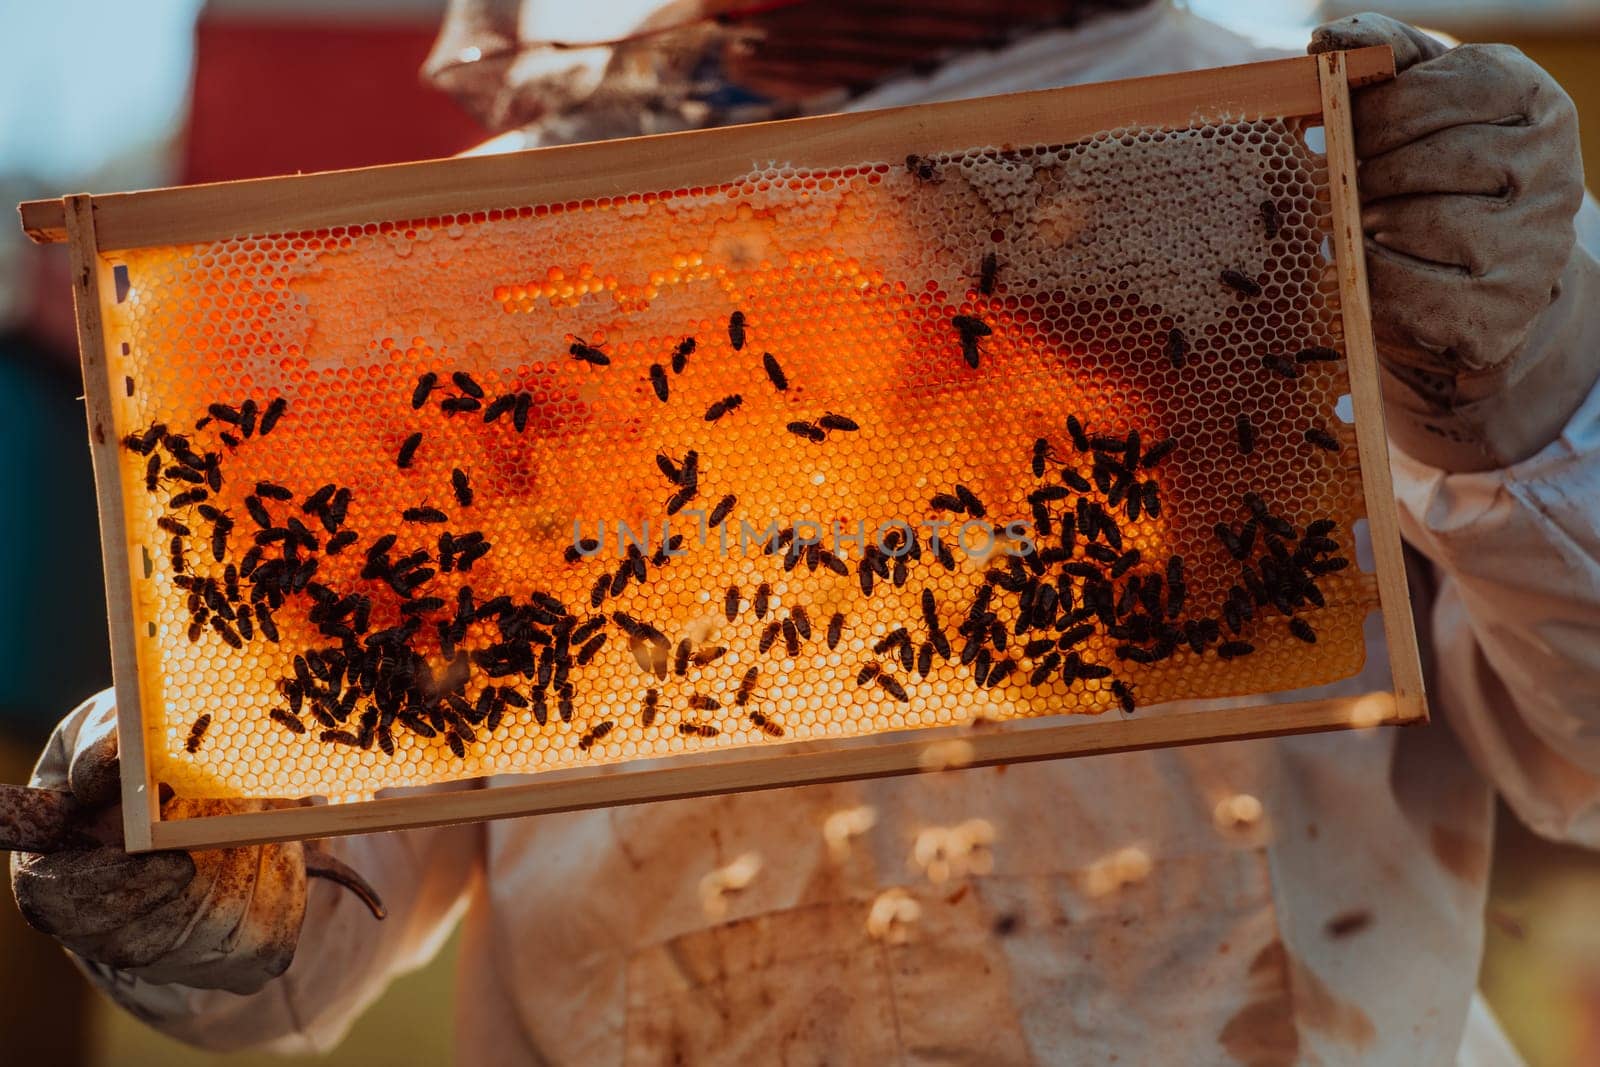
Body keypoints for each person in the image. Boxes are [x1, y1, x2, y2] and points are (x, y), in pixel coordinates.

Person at [13, 3, 1600, 1062]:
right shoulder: (467, 271)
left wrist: (1525, 389)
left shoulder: (1344, 156)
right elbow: (312, 922)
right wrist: (203, 853)